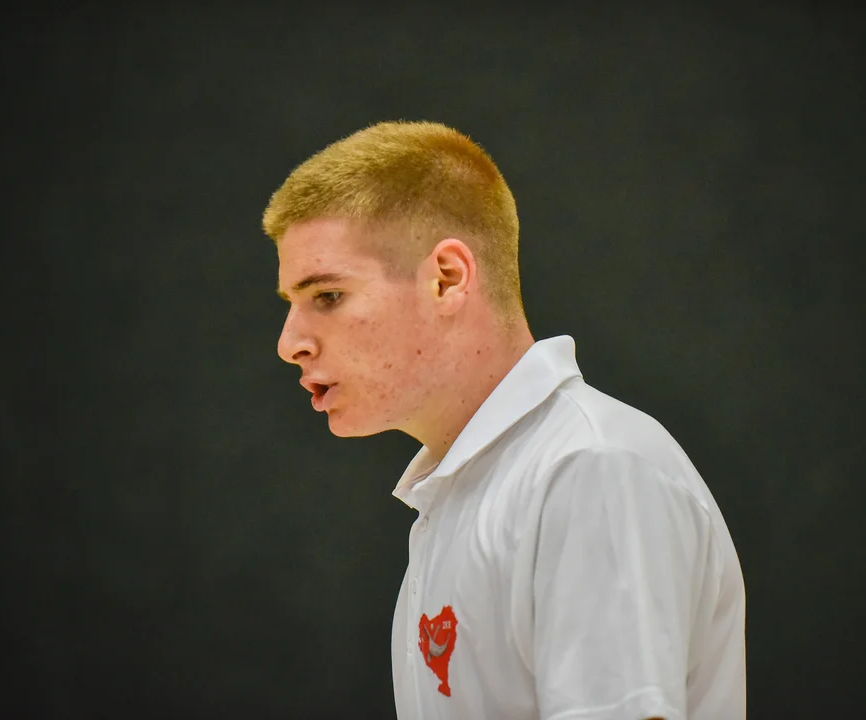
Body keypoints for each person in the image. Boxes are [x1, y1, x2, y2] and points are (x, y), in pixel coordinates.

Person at [263, 121, 746, 719]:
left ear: (447, 278)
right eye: (292, 304)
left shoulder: (590, 469)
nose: (290, 343)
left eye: (327, 296)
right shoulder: (468, 491)